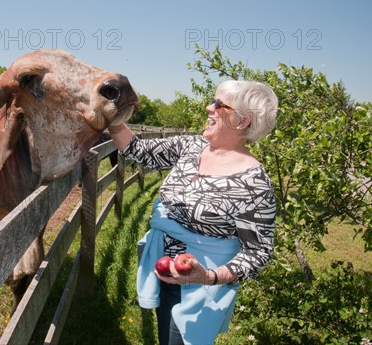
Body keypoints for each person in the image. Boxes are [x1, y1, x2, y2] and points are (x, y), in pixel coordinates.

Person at [108, 80, 278, 345]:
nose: (208, 107)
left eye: (219, 104)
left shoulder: (253, 182)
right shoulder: (193, 146)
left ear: (242, 120)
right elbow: (141, 152)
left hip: (201, 287)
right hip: (164, 269)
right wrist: (113, 120)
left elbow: (258, 252)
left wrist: (209, 277)